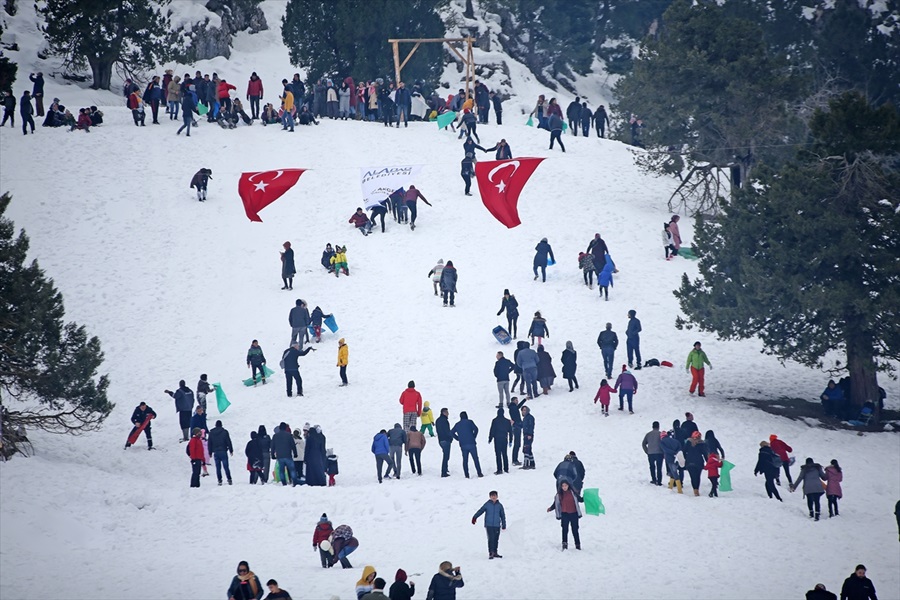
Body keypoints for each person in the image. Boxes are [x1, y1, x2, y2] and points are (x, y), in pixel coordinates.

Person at [547, 480, 581, 550]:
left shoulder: (573, 493)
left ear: (568, 485)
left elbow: (580, 499)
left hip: (574, 514)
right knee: (564, 530)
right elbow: (555, 504)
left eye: (565, 485)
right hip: (564, 514)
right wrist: (550, 508)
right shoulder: (559, 495)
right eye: (563, 486)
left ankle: (577, 545)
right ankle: (564, 544)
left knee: (575, 530)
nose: (564, 487)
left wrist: (588, 498)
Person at [472, 490, 507, 558]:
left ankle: (495, 552)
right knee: (491, 538)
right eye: (492, 496)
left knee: (496, 539)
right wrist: (475, 517)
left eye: (495, 496)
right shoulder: (487, 504)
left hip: (497, 525)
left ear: (497, 496)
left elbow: (502, 515)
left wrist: (504, 524)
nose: (493, 497)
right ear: (490, 497)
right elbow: (481, 511)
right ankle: (491, 553)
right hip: (489, 525)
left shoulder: (500, 506)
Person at [452, 411, 483, 478]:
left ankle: (466, 475)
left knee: (465, 460)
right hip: (472, 443)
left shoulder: (457, 424)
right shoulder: (470, 422)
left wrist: (458, 438)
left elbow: (451, 432)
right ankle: (479, 473)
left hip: (463, 444)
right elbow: (476, 429)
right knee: (475, 459)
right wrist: (473, 436)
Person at [208, 420, 234, 486]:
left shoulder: (211, 433)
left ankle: (219, 480)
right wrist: (231, 450)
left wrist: (210, 452)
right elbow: (228, 441)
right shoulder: (225, 432)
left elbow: (209, 443)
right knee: (226, 466)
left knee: (218, 467)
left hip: (216, 452)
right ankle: (229, 479)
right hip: (223, 451)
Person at [682, 431, 708, 496]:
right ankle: (697, 489)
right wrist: (708, 462)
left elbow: (684, 451)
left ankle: (695, 490)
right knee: (698, 476)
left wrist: (684, 460)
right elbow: (705, 454)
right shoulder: (702, 443)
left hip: (689, 462)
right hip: (699, 462)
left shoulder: (688, 442)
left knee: (693, 477)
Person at [488, 407, 511, 475]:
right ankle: (506, 469)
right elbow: (510, 431)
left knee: (498, 454)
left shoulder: (495, 421)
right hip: (504, 438)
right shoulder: (507, 421)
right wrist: (510, 440)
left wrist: (490, 438)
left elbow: (492, 430)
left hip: (497, 439)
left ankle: (499, 469)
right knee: (504, 454)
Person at [642, 421, 663, 485]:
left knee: (652, 466)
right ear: (658, 426)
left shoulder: (648, 434)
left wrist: (647, 451)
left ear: (652, 426)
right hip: (659, 453)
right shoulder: (660, 434)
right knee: (659, 467)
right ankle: (659, 481)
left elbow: (643, 444)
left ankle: (654, 479)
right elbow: (664, 443)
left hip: (650, 453)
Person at [436, 407, 453, 477]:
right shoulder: (444, 421)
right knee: (446, 456)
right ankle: (444, 472)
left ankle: (445, 469)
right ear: (444, 413)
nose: (448, 414)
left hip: (440, 440)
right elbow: (447, 431)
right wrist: (450, 438)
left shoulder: (438, 420)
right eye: (447, 412)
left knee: (445, 455)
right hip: (446, 440)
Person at [521, 405, 536, 469]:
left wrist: (529, 434)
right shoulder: (525, 418)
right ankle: (532, 464)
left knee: (526, 449)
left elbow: (531, 426)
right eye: (522, 410)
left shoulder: (530, 417)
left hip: (528, 435)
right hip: (525, 435)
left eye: (525, 410)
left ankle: (526, 464)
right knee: (528, 449)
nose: (523, 411)